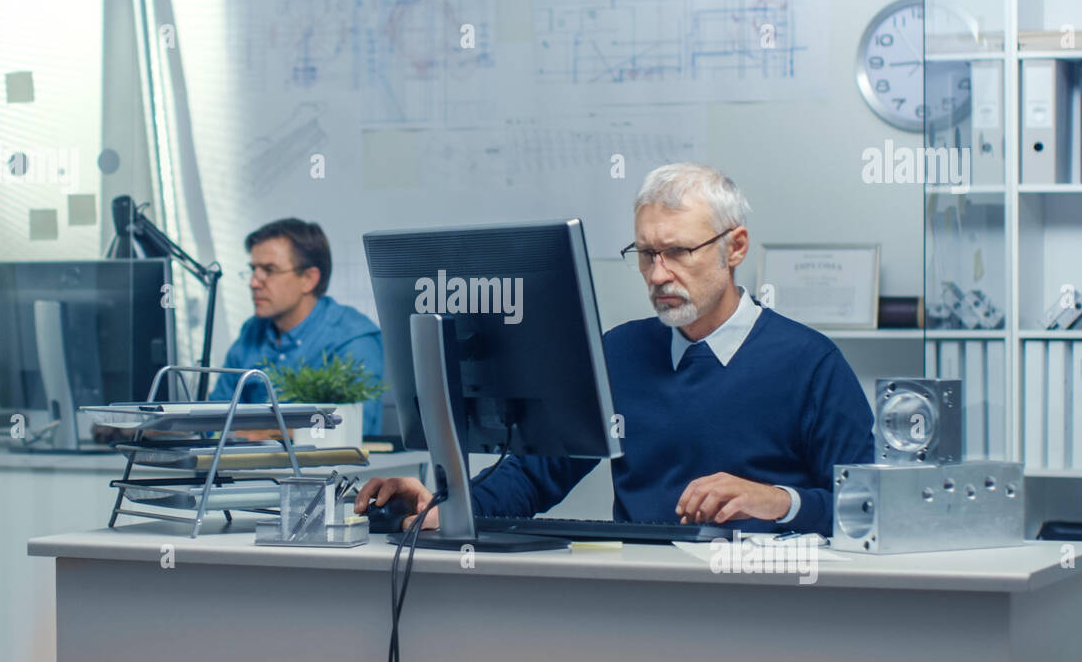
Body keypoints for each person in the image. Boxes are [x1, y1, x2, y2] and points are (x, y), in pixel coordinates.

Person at [356, 162, 875, 535]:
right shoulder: (621, 353)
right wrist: (447, 504)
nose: (657, 274)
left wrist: (780, 502)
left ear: (734, 247)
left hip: (762, 599)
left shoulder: (810, 364)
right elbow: (538, 472)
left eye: (677, 252)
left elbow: (869, 509)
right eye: (646, 254)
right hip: (637, 593)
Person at [210, 218, 384, 435]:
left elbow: (353, 428)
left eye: (269, 270)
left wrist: (262, 434)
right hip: (248, 468)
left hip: (328, 469)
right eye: (254, 269)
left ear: (309, 279)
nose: (254, 282)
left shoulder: (353, 339)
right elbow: (215, 415)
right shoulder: (252, 331)